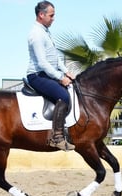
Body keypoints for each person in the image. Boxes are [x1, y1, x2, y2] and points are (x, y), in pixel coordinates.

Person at [26, 1, 75, 151]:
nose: (53, 18)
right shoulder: (36, 34)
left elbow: (54, 57)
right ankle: (57, 137)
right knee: (64, 97)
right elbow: (42, 63)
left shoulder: (45, 32)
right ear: (41, 15)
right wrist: (60, 77)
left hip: (46, 74)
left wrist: (66, 71)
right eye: (51, 15)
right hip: (37, 75)